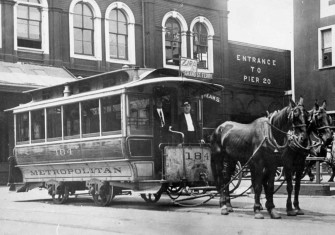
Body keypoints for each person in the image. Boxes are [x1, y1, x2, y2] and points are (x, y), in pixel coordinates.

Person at [153, 97, 170, 176]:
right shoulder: (152, 112)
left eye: (161, 101)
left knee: (165, 151)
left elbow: (167, 122)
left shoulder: (166, 112)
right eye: (158, 101)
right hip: (156, 135)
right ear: (155, 102)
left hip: (164, 135)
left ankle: (165, 170)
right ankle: (158, 170)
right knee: (157, 152)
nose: (160, 103)